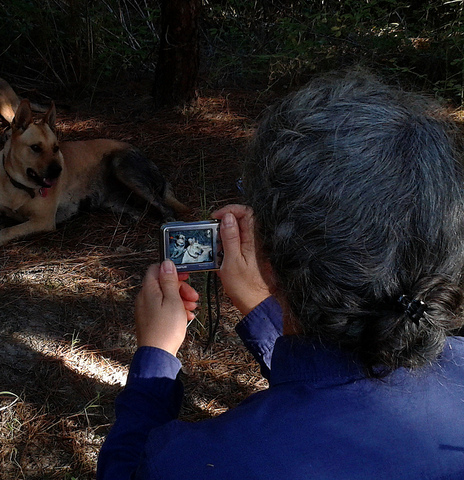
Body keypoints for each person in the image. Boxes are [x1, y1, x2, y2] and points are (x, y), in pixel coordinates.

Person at [97, 70, 464, 479]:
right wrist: (262, 301)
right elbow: (334, 381)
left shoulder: (198, 463)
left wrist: (155, 357)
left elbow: (127, 471)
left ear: (271, 257)